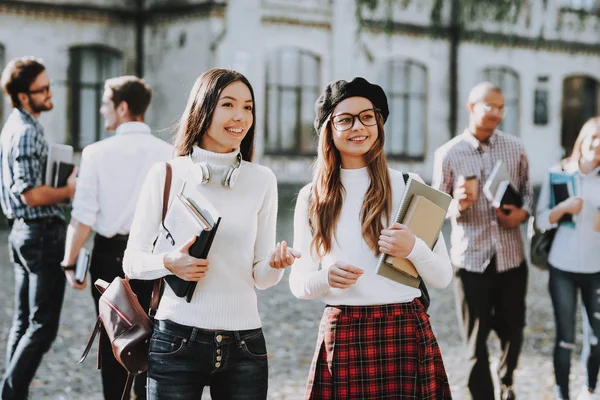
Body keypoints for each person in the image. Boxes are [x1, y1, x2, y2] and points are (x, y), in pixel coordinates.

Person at [122, 68, 300, 400]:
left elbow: (260, 278)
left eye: (248, 107)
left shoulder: (262, 180)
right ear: (203, 109)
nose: (240, 116)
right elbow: (131, 262)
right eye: (228, 104)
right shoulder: (166, 174)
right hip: (175, 341)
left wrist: (276, 264)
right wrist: (169, 262)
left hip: (244, 343)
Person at [289, 77, 453, 399]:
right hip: (344, 329)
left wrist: (414, 248)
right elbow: (298, 284)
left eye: (367, 116)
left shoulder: (409, 185)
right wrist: (326, 278)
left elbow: (443, 276)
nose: (358, 127)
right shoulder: (312, 197)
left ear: (378, 123)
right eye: (345, 119)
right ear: (329, 130)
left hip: (405, 328)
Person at [61, 75, 172, 399]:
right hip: (154, 257)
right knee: (152, 337)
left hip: (110, 258)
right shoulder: (168, 152)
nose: (101, 110)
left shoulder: (96, 153)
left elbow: (83, 216)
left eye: (106, 104)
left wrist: (70, 263)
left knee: (116, 341)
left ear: (122, 108)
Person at [432, 81, 533, 400]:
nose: (496, 113)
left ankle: (507, 379)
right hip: (471, 261)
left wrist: (522, 214)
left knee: (513, 331)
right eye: (489, 106)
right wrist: (456, 203)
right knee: (475, 342)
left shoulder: (515, 148)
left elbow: (529, 193)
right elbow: (437, 206)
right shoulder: (448, 153)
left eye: (501, 107)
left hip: (511, 257)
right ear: (471, 106)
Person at [0, 56, 77, 399]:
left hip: (24, 234)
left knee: (23, 322)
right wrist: (69, 189)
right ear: (21, 95)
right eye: (41, 89)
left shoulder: (16, 125)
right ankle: (10, 394)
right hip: (40, 234)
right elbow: (30, 193)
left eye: (49, 86)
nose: (49, 94)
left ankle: (12, 394)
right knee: (42, 328)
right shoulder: (27, 131)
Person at [536, 117, 600, 400]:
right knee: (565, 339)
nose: (598, 144)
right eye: (594, 137)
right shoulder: (559, 173)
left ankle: (589, 387)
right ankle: (563, 394)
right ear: (582, 139)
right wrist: (562, 207)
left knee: (597, 339)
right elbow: (540, 221)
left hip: (597, 268)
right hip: (562, 266)